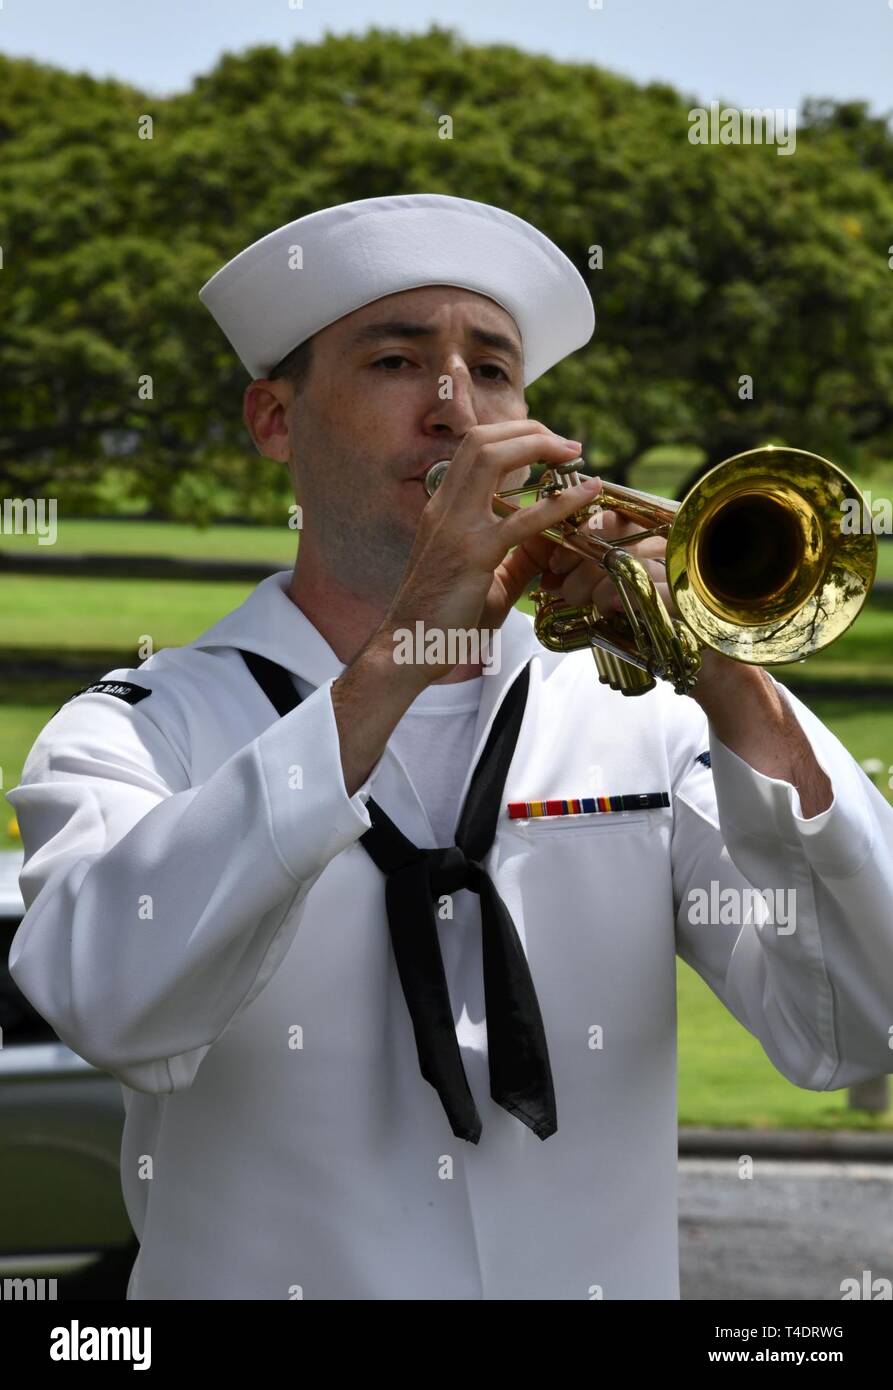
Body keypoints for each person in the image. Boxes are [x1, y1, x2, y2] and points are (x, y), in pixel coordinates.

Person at [8, 193, 893, 1301]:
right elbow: (112, 1001)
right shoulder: (135, 727)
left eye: (491, 368)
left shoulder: (641, 718)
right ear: (273, 419)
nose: (453, 409)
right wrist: (398, 657)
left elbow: (857, 1026)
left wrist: (731, 679)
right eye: (394, 361)